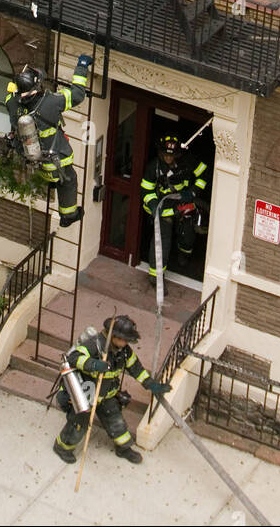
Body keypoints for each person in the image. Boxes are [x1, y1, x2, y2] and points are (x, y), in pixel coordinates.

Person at [53, 315, 171, 465]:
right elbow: (74, 358)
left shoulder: (125, 351)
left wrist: (152, 385)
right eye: (124, 339)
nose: (127, 343)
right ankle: (62, 447)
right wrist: (94, 364)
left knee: (116, 421)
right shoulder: (94, 345)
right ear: (114, 336)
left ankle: (123, 448)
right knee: (78, 424)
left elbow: (137, 370)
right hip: (87, 394)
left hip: (107, 395)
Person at [5, 55, 92, 227]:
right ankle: (69, 216)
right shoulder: (51, 103)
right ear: (36, 88)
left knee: (56, 179)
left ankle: (53, 182)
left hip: (36, 161)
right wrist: (82, 67)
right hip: (56, 161)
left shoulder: (12, 104)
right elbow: (77, 94)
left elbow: (9, 96)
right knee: (69, 180)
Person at [140, 132, 208, 285]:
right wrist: (154, 206)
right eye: (165, 154)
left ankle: (184, 254)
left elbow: (203, 174)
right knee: (162, 239)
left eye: (172, 155)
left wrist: (192, 192)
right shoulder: (154, 167)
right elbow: (146, 190)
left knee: (188, 231)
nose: (168, 158)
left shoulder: (188, 161)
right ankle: (155, 275)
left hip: (183, 201)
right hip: (163, 207)